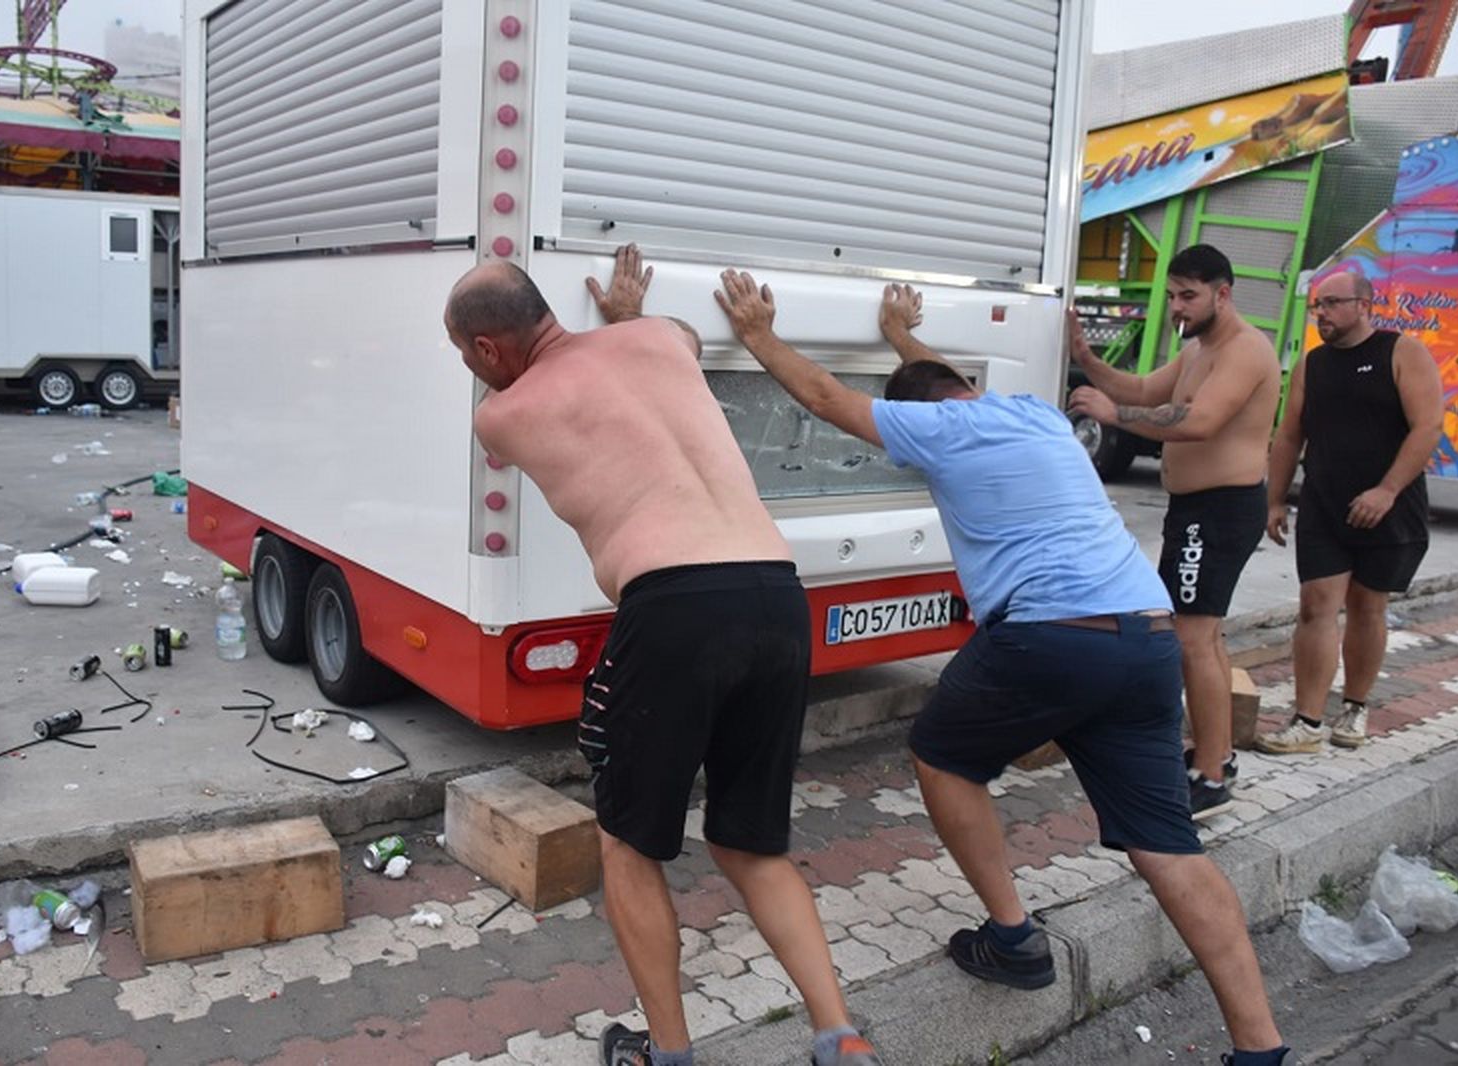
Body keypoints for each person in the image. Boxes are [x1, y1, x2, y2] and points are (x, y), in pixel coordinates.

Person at [714, 267, 1291, 1066]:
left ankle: (1014, 939)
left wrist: (756, 335)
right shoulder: (1036, 417)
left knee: (943, 758)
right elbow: (941, 383)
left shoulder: (933, 430)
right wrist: (901, 337)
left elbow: (824, 399)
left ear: (913, 416)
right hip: (1146, 633)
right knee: (1170, 850)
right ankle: (1260, 1048)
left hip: (1050, 635)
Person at [443, 245, 881, 1066]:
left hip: (674, 608)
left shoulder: (499, 414)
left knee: (630, 845)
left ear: (489, 350)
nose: (471, 370)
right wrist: (627, 319)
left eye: (467, 354)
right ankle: (840, 1037)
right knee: (754, 843)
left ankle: (669, 1055)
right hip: (778, 596)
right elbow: (673, 335)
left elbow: (564, 407)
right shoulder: (661, 340)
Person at [1068, 245, 1282, 820]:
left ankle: (1210, 776)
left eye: (1188, 295)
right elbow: (1140, 390)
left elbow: (1201, 420)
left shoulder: (1244, 351)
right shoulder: (1199, 349)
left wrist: (1113, 418)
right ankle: (1218, 754)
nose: (1177, 307)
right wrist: (1086, 356)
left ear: (1223, 293)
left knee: (1191, 637)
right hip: (1194, 512)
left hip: (1220, 510)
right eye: (1173, 295)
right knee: (1201, 637)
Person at [1254, 270, 1443, 754]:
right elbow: (1290, 434)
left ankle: (1355, 708)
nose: (1322, 314)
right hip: (1324, 502)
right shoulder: (1312, 364)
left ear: (1364, 305)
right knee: (1316, 603)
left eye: (1333, 303)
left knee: (1366, 605)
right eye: (1318, 305)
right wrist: (1275, 498)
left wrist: (1386, 490)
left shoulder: (1401, 352)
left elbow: (1427, 427)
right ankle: (1306, 721)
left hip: (1390, 506)